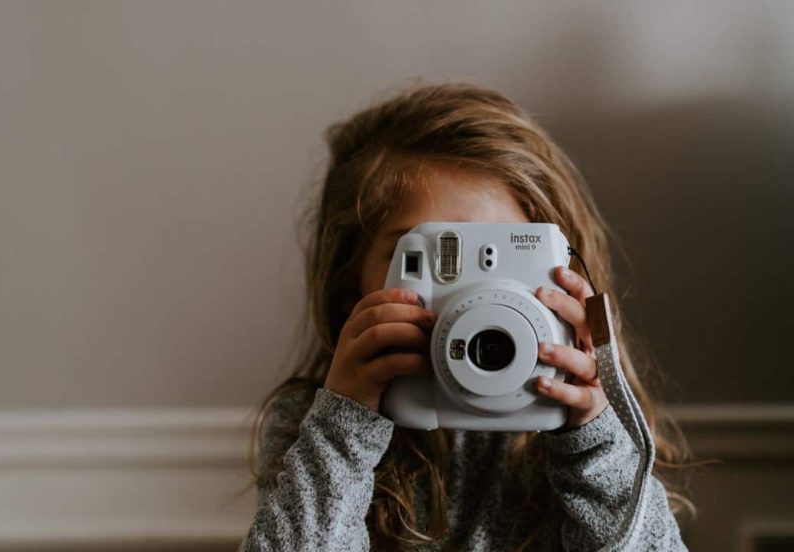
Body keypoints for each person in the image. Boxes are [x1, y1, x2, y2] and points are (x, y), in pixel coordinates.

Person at [237, 81, 694, 551]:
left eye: (496, 258)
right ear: (347, 287)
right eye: (427, 259)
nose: (468, 301)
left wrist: (595, 441)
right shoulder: (312, 419)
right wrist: (344, 427)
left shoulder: (587, 419)